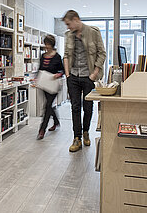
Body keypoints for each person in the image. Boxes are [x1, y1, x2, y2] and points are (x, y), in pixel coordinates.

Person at [62, 10, 106, 152]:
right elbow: (67, 55)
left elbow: (102, 53)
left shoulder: (93, 32)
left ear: (76, 19)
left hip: (88, 76)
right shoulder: (69, 35)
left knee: (88, 107)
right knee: (75, 107)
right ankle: (77, 138)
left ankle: (86, 131)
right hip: (73, 76)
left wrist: (94, 74)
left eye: (69, 24)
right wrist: (68, 75)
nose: (68, 27)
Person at [37, 35, 64, 140]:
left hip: (54, 85)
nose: (46, 46)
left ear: (52, 45)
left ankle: (42, 129)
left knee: (47, 106)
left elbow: (62, 70)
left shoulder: (57, 56)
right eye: (45, 44)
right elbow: (40, 69)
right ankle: (56, 122)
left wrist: (58, 74)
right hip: (44, 84)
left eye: (48, 44)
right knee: (49, 105)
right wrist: (36, 79)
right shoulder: (43, 56)